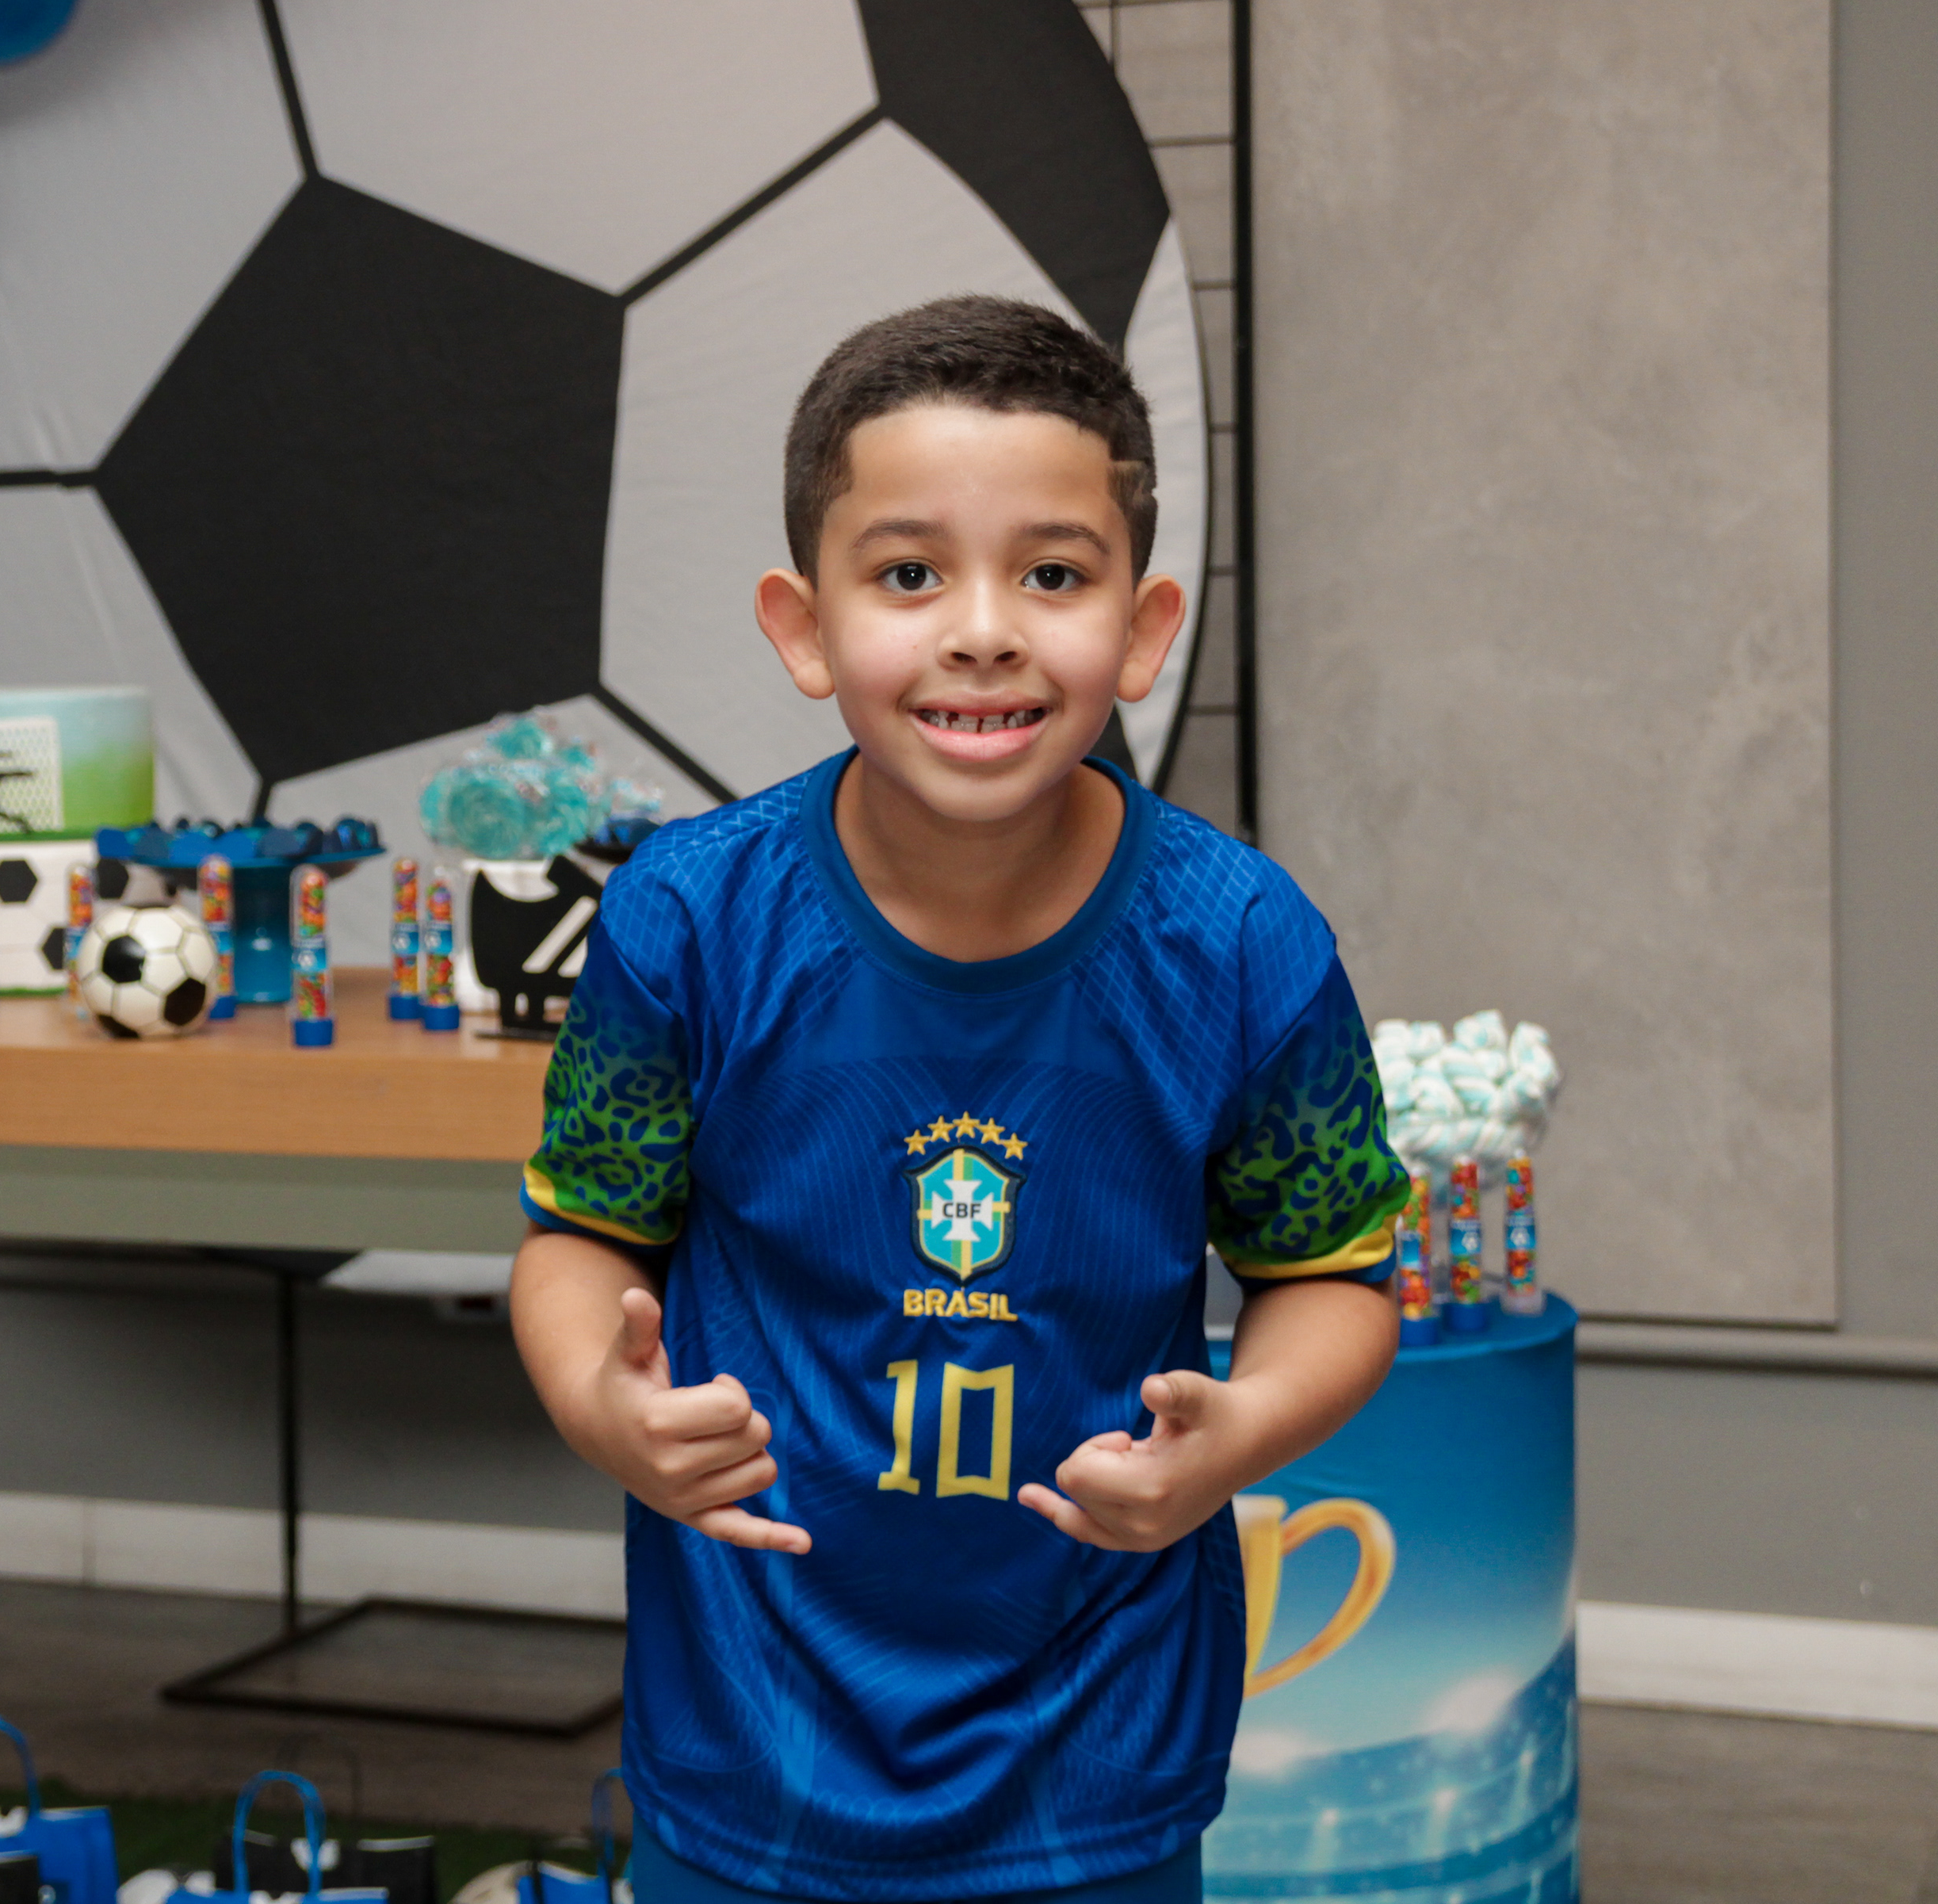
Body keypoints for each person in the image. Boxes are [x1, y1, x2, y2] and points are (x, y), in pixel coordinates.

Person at [511, 296, 1407, 1904]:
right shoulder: (687, 919)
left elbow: (1334, 1277)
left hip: (1097, 1750)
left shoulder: (1241, 941)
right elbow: (581, 1239)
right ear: (804, 627)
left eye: (1052, 575)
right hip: (755, 1742)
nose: (984, 631)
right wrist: (602, 1404)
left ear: (1143, 630)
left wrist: (1241, 1432)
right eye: (910, 573)